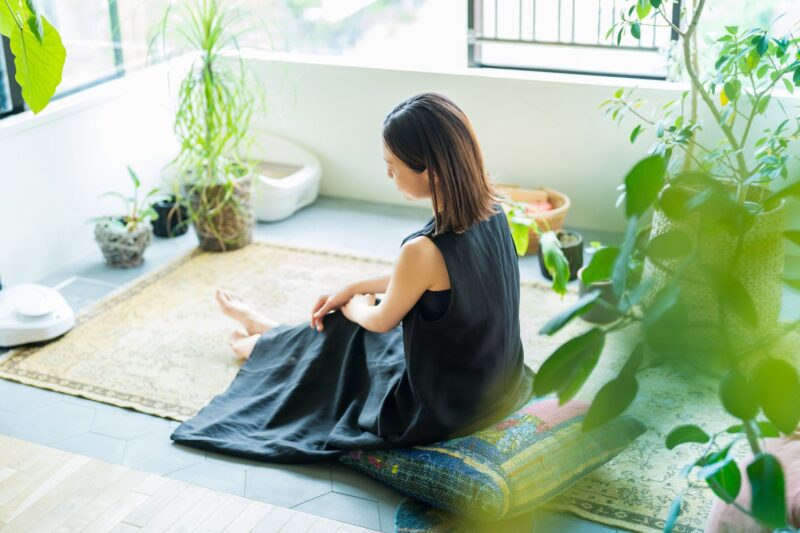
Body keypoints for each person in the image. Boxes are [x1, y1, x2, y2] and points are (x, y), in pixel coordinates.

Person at [169, 92, 535, 463]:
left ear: (433, 170)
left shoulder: (424, 250)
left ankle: (264, 345)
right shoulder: (493, 209)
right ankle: (267, 331)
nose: (389, 175)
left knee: (352, 330)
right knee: (352, 322)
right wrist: (355, 288)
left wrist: (355, 306)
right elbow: (430, 278)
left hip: (440, 408)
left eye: (393, 168)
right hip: (493, 385)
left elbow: (379, 321)